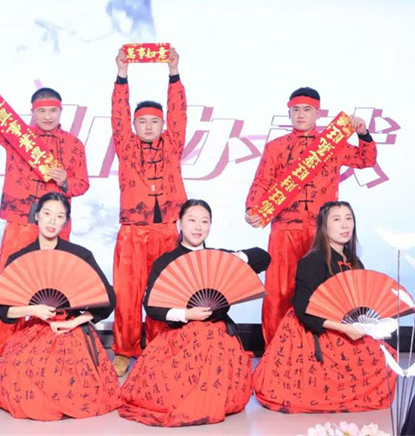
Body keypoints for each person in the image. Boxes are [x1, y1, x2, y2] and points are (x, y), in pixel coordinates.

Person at [0, 64, 90, 374]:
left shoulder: (73, 145)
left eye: (53, 111)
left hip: (56, 226)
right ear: (33, 111)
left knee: (53, 286)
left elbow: (82, 185)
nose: (47, 116)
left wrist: (65, 180)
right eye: (42, 111)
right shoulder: (19, 138)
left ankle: (47, 349)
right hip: (19, 221)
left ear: (61, 111)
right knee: (10, 285)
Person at [119, 199, 270, 426]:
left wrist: (235, 258)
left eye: (204, 221)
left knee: (211, 337)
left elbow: (263, 257)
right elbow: (151, 306)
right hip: (181, 334)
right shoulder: (165, 262)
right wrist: (187, 314)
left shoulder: (218, 257)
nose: (198, 227)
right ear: (179, 223)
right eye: (191, 220)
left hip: (217, 334)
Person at [245, 87, 377, 346]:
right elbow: (262, 181)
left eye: (307, 109)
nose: (301, 114)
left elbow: (366, 159)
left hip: (321, 231)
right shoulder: (276, 147)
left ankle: (320, 346)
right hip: (284, 228)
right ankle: (278, 348)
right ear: (289, 113)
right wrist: (252, 208)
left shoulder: (332, 144)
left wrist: (363, 133)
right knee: (279, 290)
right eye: (295, 110)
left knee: (321, 288)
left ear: (318, 113)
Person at [253, 201, 396, 413]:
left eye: (349, 218)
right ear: (323, 226)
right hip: (316, 330)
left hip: (346, 327)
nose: (344, 225)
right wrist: (345, 328)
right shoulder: (313, 260)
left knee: (385, 357)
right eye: (337, 219)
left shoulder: (354, 261)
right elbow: (303, 309)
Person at [0, 192, 120, 420]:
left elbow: (108, 298)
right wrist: (33, 310)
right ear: (37, 216)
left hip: (72, 330)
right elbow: (2, 309)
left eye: (59, 216)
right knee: (20, 381)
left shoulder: (80, 255)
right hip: (37, 327)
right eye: (47, 214)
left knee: (74, 385)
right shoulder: (21, 257)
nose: (52, 221)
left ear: (66, 222)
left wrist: (77, 321)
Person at [110, 47, 188, 376]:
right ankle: (124, 350)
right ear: (134, 125)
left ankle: (159, 349)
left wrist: (174, 74)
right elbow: (118, 113)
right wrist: (122, 75)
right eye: (141, 121)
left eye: (154, 121)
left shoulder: (172, 144)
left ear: (163, 124)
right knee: (127, 294)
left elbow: (179, 112)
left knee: (164, 292)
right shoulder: (126, 146)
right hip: (132, 231)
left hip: (167, 230)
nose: (148, 126)